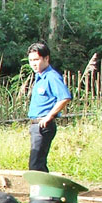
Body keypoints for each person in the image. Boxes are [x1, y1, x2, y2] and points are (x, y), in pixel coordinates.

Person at [26, 42, 72, 172]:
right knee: (36, 162)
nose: (33, 64)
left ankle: (42, 192)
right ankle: (42, 190)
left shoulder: (52, 77)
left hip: (44, 125)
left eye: (36, 60)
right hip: (36, 124)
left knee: (36, 165)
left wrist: (49, 117)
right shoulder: (39, 77)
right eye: (31, 60)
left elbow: (64, 97)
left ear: (46, 58)